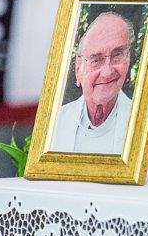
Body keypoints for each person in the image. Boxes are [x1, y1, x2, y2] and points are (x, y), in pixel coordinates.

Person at [52, 12, 136, 154]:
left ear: (128, 60)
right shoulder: (54, 123)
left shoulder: (142, 120)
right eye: (96, 60)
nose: (107, 72)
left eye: (117, 55)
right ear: (78, 69)